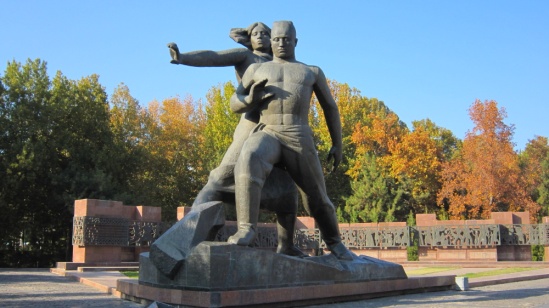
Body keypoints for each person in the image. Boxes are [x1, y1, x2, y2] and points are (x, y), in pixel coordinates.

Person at [167, 22, 306, 257]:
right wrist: (183, 57)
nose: (261, 37)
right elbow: (213, 57)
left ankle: (286, 245)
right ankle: (195, 238)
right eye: (255, 34)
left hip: (281, 132)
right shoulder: (246, 57)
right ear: (248, 39)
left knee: (286, 189)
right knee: (220, 178)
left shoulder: (283, 65)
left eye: (265, 33)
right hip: (250, 127)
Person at [228, 21, 353, 260]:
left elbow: (331, 108)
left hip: (299, 135)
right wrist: (249, 99)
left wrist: (338, 143)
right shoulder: (256, 70)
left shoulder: (311, 71)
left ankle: (335, 243)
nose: (281, 43)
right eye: (276, 39)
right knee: (249, 155)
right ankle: (246, 229)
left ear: (295, 41)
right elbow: (235, 102)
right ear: (270, 42)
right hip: (269, 131)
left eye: (286, 39)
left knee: (316, 196)